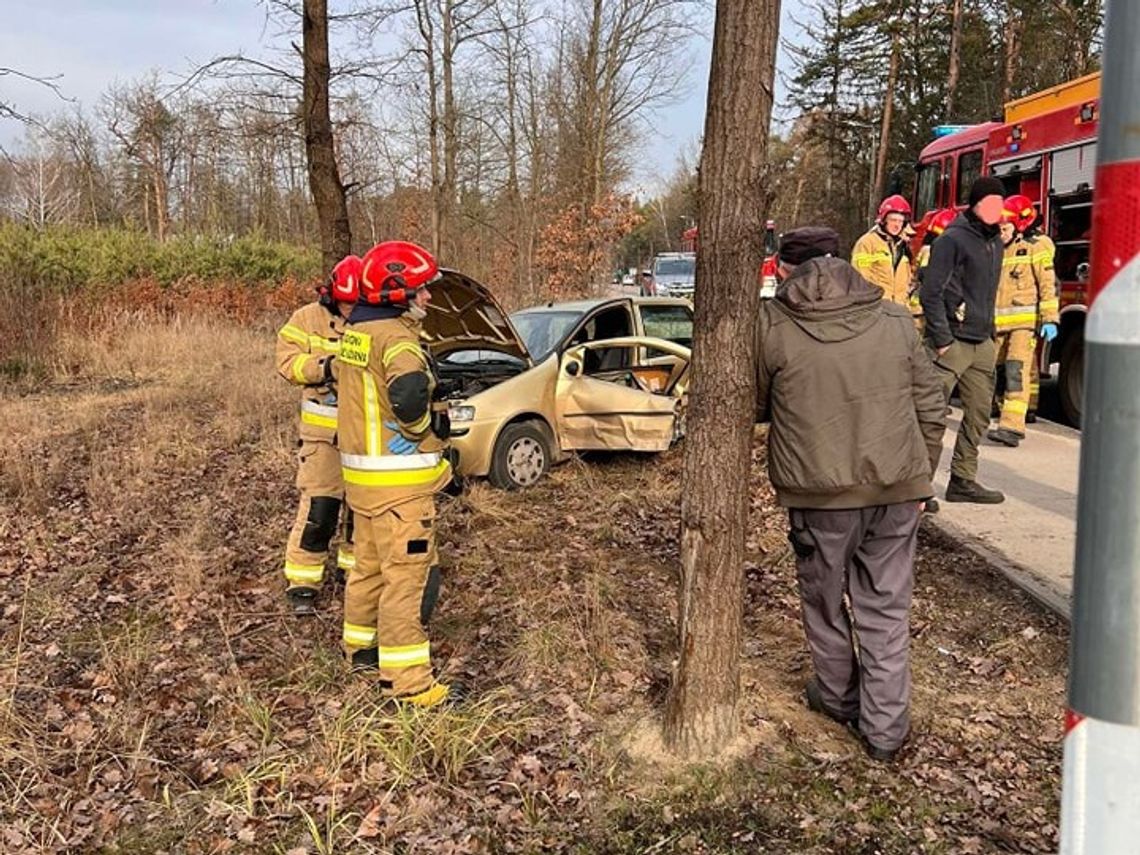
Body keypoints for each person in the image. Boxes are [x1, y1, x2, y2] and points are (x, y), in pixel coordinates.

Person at [755, 227, 946, 762]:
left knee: (823, 603)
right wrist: (918, 479)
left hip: (817, 497)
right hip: (895, 490)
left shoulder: (771, 324)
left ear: (786, 271)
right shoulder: (892, 318)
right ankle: (885, 733)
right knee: (885, 609)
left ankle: (838, 701)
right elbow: (931, 406)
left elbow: (755, 403)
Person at [335, 240, 456, 708]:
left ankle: (361, 650)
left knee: (366, 569)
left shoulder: (356, 332)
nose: (427, 298)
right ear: (395, 292)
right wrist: (428, 430)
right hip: (399, 485)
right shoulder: (398, 338)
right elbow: (406, 398)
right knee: (406, 580)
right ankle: (409, 685)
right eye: (421, 290)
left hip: (362, 482)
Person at [275, 255, 361, 615]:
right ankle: (303, 583)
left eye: (356, 303)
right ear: (331, 295)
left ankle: (351, 571)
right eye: (345, 303)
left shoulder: (375, 320)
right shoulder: (306, 319)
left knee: (360, 510)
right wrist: (322, 367)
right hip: (322, 439)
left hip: (362, 436)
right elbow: (286, 363)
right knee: (320, 509)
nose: (350, 309)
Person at [919, 176, 1006, 504]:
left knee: (979, 414)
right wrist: (942, 339)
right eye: (991, 202)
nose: (997, 209)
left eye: (1001, 203)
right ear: (975, 204)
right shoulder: (952, 240)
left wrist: (991, 334)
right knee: (931, 417)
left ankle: (963, 480)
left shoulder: (996, 241)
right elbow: (931, 292)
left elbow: (987, 292)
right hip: (951, 343)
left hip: (981, 343)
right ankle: (918, 488)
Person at [988, 196, 1059, 446]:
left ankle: (1011, 427)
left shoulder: (1035, 247)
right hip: (997, 324)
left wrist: (1050, 318)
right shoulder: (997, 248)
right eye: (999, 228)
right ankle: (1000, 412)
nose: (1001, 232)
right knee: (993, 372)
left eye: (1005, 228)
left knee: (1015, 372)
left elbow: (1048, 285)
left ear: (1018, 225)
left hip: (1023, 325)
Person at [852, 194, 914, 308]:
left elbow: (909, 280)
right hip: (877, 307)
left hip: (900, 309)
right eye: (893, 220)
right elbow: (860, 277)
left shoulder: (905, 246)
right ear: (884, 220)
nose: (897, 225)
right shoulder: (867, 243)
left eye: (901, 221)